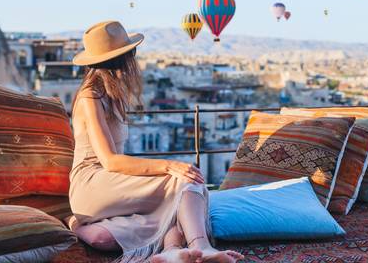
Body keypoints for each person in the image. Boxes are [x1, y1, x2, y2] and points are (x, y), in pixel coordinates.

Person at [67, 21, 244, 263]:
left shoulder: (112, 95)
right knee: (185, 181)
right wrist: (168, 166)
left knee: (110, 236)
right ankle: (202, 246)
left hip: (107, 186)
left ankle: (171, 250)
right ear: (123, 58)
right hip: (92, 184)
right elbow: (109, 161)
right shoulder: (90, 96)